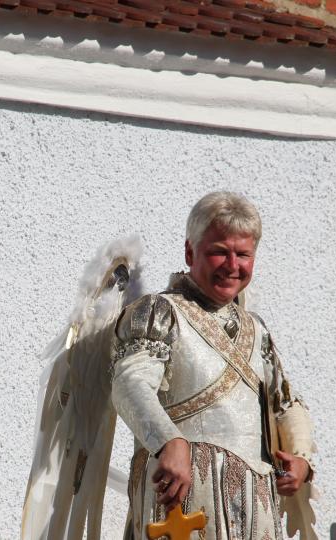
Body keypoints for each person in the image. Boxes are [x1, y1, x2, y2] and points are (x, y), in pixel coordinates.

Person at [111, 191, 318, 540]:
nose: (232, 265)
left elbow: (286, 405)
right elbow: (129, 385)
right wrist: (169, 442)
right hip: (183, 506)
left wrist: (301, 460)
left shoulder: (257, 329)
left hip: (254, 509)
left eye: (243, 254)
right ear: (191, 252)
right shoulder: (158, 312)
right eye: (219, 251)